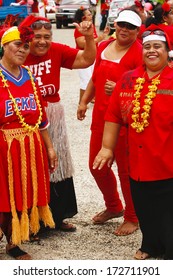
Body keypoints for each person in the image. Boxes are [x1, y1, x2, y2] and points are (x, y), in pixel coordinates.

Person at [93, 24, 173, 260]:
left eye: (157, 46)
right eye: (147, 46)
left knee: (168, 210)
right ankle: (150, 245)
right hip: (137, 161)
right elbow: (113, 115)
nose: (151, 51)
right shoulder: (128, 79)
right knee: (144, 206)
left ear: (167, 51)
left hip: (167, 162)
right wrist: (107, 148)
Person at [19, 14, 96, 232]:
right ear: (27, 38)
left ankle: (57, 217)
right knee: (30, 167)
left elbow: (86, 59)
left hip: (53, 114)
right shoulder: (18, 53)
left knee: (57, 166)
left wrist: (89, 38)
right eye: (36, 36)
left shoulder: (57, 50)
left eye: (47, 36)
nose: (42, 41)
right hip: (26, 116)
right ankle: (32, 223)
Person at [77, 9, 143, 236]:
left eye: (131, 27)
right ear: (115, 24)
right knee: (97, 166)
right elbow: (95, 78)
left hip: (125, 121)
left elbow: (147, 87)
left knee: (126, 171)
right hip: (102, 118)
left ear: (137, 30)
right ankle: (114, 206)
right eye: (122, 24)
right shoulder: (104, 47)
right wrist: (84, 101)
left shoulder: (139, 53)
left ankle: (133, 217)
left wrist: (121, 89)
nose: (125, 29)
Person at [0, 25, 57, 260]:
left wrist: (50, 147)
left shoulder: (30, 77)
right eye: (17, 45)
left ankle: (13, 242)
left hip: (30, 144)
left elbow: (41, 118)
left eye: (25, 47)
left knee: (23, 194)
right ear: (4, 46)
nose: (22, 50)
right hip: (4, 144)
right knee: (3, 195)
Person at [74, 7, 108, 103]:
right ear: (83, 18)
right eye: (89, 14)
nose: (91, 16)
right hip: (82, 57)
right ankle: (82, 101)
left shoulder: (91, 27)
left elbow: (94, 40)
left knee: (93, 78)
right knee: (85, 80)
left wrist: (102, 36)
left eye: (90, 14)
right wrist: (99, 39)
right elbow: (81, 43)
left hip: (93, 56)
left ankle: (92, 97)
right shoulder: (79, 28)